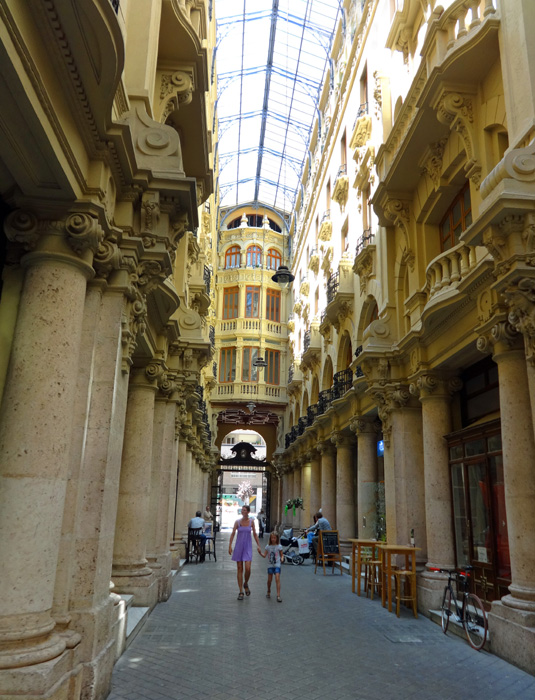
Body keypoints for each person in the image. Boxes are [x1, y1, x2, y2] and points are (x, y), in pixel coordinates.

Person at [228, 505, 261, 600]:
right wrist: (230, 545)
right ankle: (240, 591)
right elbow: (233, 533)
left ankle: (245, 583)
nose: (243, 511)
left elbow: (255, 534)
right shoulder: (237, 522)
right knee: (239, 568)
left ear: (248, 512)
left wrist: (258, 545)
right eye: (242, 510)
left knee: (248, 568)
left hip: (247, 547)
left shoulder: (251, 522)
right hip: (239, 547)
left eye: (244, 510)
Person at [257, 531, 284, 602]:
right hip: (270, 565)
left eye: (274, 538)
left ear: (277, 539)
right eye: (272, 538)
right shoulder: (268, 547)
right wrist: (260, 553)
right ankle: (268, 590)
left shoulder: (279, 546)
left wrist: (282, 559)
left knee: (277, 578)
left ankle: (278, 595)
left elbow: (281, 555)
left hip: (277, 564)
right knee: (269, 580)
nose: (273, 539)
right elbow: (264, 555)